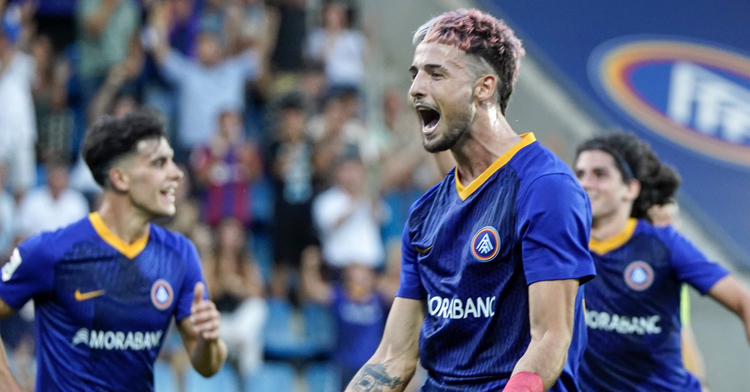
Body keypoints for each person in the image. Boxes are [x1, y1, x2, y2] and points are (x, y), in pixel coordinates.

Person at [346, 9, 595, 392]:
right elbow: (392, 358)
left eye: (436, 73)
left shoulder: (546, 186)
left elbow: (549, 339)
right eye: (415, 74)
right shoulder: (425, 213)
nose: (415, 88)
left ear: (484, 87)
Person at [0, 108, 228, 392]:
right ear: (121, 179)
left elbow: (207, 366)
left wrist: (210, 342)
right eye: (159, 163)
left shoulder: (180, 255)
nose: (176, 174)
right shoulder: (52, 252)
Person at [573, 133, 750, 392]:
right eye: (580, 173)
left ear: (630, 189)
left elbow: (743, 300)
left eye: (600, 174)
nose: (585, 183)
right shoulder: (563, 243)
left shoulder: (662, 245)